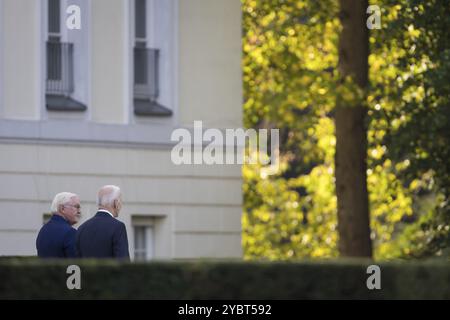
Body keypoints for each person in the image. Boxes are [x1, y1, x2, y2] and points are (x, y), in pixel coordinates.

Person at [76, 185, 130, 260]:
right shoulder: (118, 227)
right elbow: (123, 262)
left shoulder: (82, 228)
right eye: (121, 201)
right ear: (116, 203)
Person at [36, 192, 81, 258]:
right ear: (62, 209)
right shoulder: (70, 232)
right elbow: (75, 265)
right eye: (76, 207)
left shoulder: (43, 230)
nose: (79, 211)